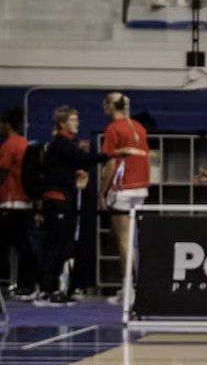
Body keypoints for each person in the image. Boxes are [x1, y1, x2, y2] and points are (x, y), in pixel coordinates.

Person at [36, 107, 135, 305]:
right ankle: (48, 289)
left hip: (65, 198)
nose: (77, 123)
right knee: (56, 245)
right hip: (57, 200)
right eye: (73, 120)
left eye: (77, 119)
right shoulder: (61, 144)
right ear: (63, 123)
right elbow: (83, 159)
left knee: (64, 245)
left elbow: (64, 167)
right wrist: (114, 154)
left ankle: (59, 287)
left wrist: (74, 177)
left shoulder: (65, 145)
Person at [97, 92, 151, 303]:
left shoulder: (113, 129)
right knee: (134, 240)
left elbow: (110, 163)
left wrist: (102, 192)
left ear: (111, 106)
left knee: (124, 240)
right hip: (141, 189)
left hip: (122, 189)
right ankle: (130, 287)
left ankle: (131, 289)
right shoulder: (139, 127)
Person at [0, 107, 37, 299]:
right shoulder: (24, 143)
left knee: (15, 246)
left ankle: (26, 284)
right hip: (24, 202)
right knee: (22, 245)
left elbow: (2, 171)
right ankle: (25, 283)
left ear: (7, 124)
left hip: (11, 202)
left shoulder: (10, 145)